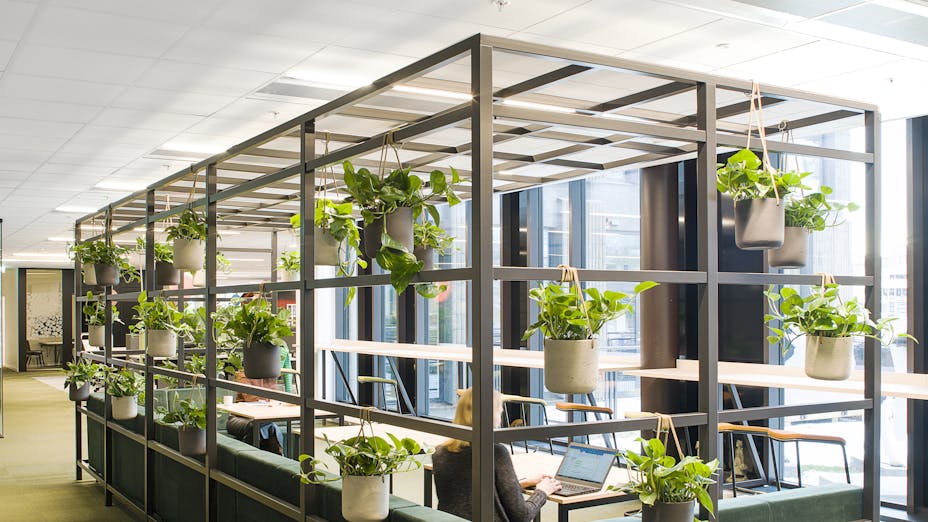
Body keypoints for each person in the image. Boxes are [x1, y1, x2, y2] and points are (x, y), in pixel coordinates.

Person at [432, 388, 561, 521]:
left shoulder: (440, 453)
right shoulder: (494, 453)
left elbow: (471, 490)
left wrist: (521, 484)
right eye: (499, 411)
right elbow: (522, 516)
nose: (501, 416)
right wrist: (542, 491)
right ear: (490, 415)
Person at [224, 369, 285, 455]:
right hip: (237, 419)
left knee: (272, 428)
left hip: (262, 420)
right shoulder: (244, 374)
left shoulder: (270, 376)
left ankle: (279, 461)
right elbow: (251, 398)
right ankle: (249, 460)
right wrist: (268, 399)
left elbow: (275, 397)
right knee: (255, 427)